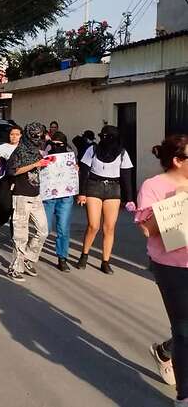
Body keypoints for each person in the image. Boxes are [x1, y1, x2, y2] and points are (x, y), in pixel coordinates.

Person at [133, 135, 188, 405]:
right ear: (178, 160)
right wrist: (175, 203)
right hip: (171, 266)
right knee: (184, 328)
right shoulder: (153, 186)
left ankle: (165, 351)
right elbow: (147, 230)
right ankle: (184, 395)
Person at [77, 125, 136, 274]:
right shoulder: (92, 150)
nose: (104, 139)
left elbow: (126, 177)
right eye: (102, 136)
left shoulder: (122, 153)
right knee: (93, 225)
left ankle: (105, 261)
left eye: (108, 137)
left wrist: (129, 199)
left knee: (109, 227)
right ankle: (84, 254)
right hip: (94, 186)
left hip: (113, 188)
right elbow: (84, 173)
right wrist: (81, 193)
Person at [6, 122, 51, 282]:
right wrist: (35, 164)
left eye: (40, 135)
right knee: (21, 234)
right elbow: (12, 171)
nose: (39, 138)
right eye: (35, 136)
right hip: (21, 196)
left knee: (43, 230)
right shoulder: (19, 151)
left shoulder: (37, 151)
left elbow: (39, 170)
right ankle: (15, 267)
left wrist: (46, 164)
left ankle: (28, 258)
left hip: (36, 195)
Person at [41, 131, 77, 272]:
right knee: (45, 228)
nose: (56, 146)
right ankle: (34, 249)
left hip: (65, 196)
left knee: (63, 228)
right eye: (53, 144)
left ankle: (62, 258)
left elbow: (74, 171)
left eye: (59, 144)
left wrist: (76, 169)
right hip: (49, 196)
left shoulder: (69, 154)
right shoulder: (45, 154)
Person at [0, 125, 21, 240]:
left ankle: (15, 237)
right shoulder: (3, 147)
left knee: (16, 211)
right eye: (12, 134)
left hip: (20, 181)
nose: (14, 137)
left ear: (21, 136)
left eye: (17, 134)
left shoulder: (24, 148)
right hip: (6, 181)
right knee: (6, 208)